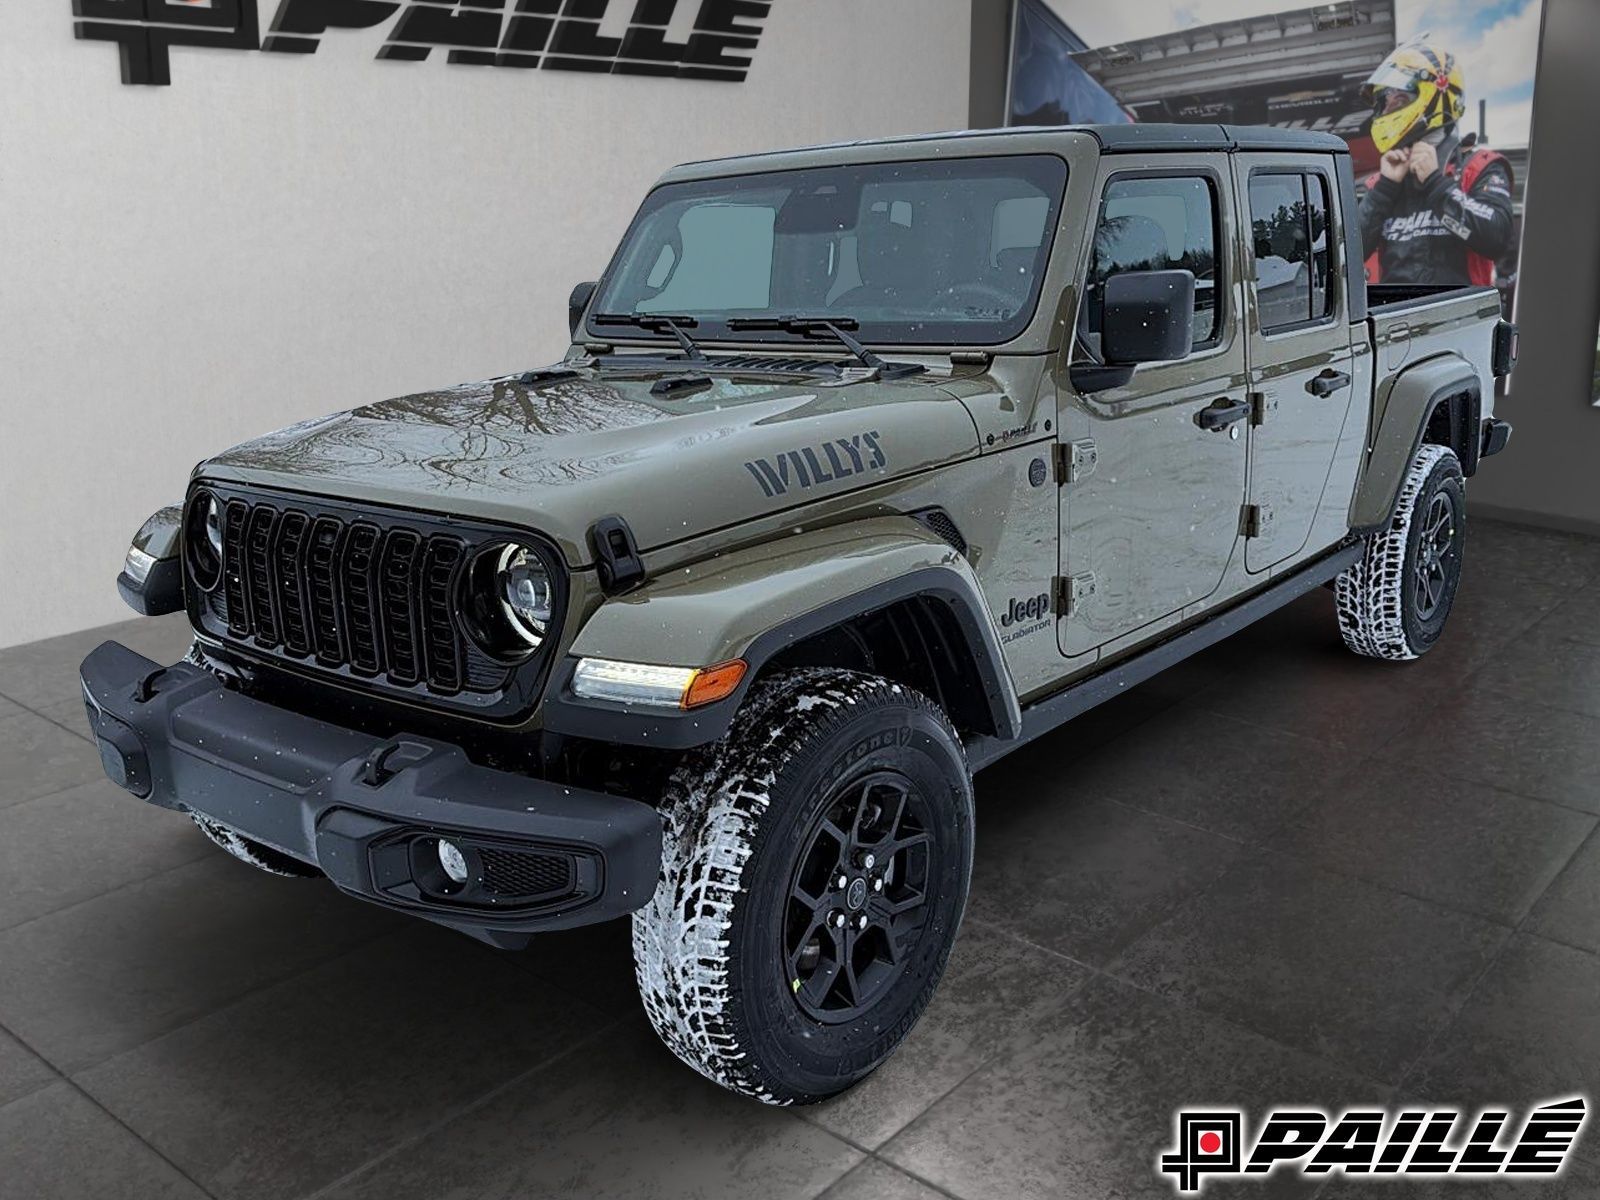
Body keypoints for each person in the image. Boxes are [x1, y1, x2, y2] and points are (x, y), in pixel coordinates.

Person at [1357, 36, 1515, 287]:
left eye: (1397, 101)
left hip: (1461, 311)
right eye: (1383, 104)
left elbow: (1497, 239)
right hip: (1396, 311)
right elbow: (1347, 255)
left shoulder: (1477, 167)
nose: (1385, 113)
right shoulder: (1382, 182)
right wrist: (1384, 190)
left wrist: (1436, 184)